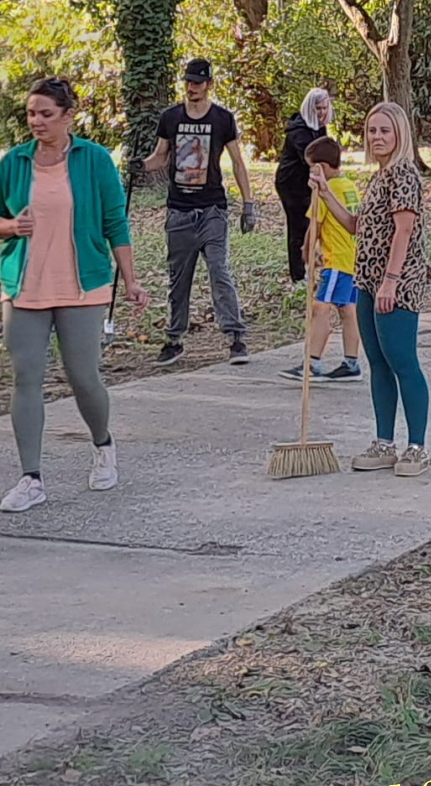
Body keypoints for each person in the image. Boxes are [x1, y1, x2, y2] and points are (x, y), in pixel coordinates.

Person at [0, 78, 150, 513]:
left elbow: (115, 225)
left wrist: (133, 280)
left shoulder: (94, 159)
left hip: (83, 284)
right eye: (31, 114)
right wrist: (11, 228)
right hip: (24, 285)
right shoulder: (15, 161)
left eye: (46, 114)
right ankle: (31, 478)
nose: (36, 122)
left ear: (68, 116)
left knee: (83, 376)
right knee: (25, 377)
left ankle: (103, 444)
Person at [311, 102, 431, 477]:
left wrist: (391, 281)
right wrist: (325, 192)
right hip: (365, 279)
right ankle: (384, 441)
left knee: (402, 361)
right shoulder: (379, 177)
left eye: (385, 131)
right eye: (372, 130)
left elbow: (404, 230)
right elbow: (356, 225)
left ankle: (417, 446)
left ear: (400, 135)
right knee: (377, 363)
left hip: (396, 283)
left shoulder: (403, 175)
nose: (377, 138)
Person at [133, 58, 256, 367]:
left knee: (219, 271)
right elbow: (160, 157)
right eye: (188, 82)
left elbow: (238, 162)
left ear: (209, 84)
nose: (192, 88)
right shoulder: (170, 117)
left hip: (213, 208)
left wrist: (249, 203)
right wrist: (140, 166)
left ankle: (235, 337)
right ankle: (174, 340)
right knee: (179, 279)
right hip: (179, 212)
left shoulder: (223, 119)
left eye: (198, 83)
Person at [278, 136, 362, 383]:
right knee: (347, 310)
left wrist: (306, 250)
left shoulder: (328, 190)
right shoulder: (349, 186)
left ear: (321, 168)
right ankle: (351, 362)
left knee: (320, 308)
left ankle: (312, 361)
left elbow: (315, 223)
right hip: (352, 260)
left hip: (336, 260)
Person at [274, 88, 332, 283]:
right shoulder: (298, 131)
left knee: (314, 223)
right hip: (292, 184)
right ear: (309, 108)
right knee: (298, 226)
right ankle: (298, 275)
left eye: (324, 108)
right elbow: (312, 158)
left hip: (308, 183)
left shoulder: (319, 127)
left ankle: (314, 263)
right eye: (318, 108)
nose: (322, 112)